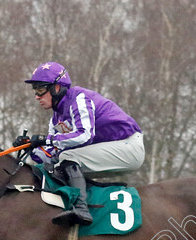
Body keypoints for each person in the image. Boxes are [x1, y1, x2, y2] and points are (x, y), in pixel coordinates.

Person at [14, 62, 145, 226]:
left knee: (68, 156)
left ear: (57, 87)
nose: (37, 96)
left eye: (41, 89)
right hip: (114, 148)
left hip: (129, 146)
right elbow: (49, 156)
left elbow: (85, 136)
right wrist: (30, 147)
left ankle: (81, 209)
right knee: (58, 164)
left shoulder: (78, 98)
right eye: (35, 91)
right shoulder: (56, 118)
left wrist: (45, 139)